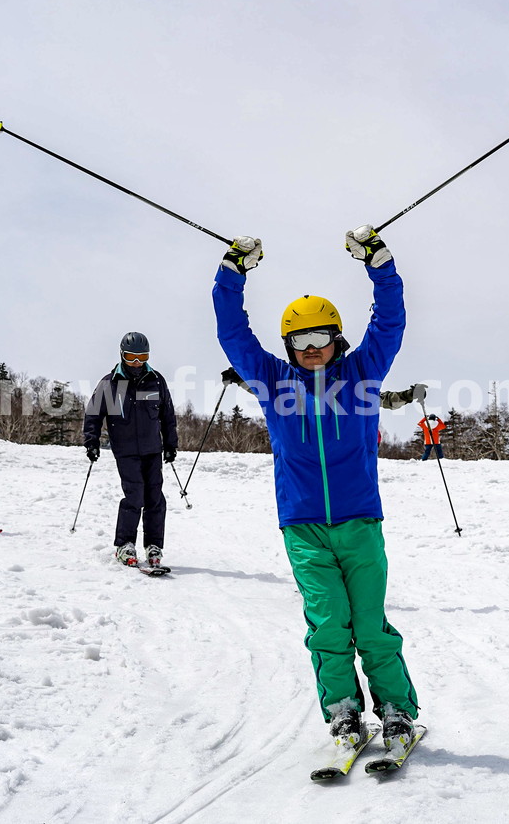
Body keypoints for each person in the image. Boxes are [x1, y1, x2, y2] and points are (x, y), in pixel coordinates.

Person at [212, 226, 419, 755]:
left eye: (319, 338)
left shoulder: (363, 375)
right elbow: (233, 333)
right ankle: (344, 711)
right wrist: (231, 273)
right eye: (299, 341)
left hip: (359, 522)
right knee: (328, 625)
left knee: (369, 624)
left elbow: (390, 320)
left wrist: (380, 264)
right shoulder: (273, 383)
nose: (310, 349)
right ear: (287, 346)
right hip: (303, 527)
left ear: (337, 339)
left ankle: (396, 709)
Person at [82, 332, 179, 568]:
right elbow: (93, 415)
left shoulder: (156, 381)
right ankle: (125, 544)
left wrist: (170, 444)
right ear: (122, 355)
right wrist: (91, 441)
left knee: (155, 497)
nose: (137, 362)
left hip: (153, 449)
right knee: (135, 495)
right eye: (131, 357)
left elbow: (167, 416)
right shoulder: (110, 384)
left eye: (142, 357)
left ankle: (153, 545)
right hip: (125, 451)